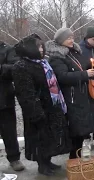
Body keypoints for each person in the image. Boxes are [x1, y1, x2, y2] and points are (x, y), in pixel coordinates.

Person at [12, 34, 71, 176]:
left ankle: (48, 161)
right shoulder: (21, 66)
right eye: (38, 47)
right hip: (37, 109)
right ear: (30, 49)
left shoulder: (43, 62)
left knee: (51, 137)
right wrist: (36, 112)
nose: (41, 49)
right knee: (40, 138)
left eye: (42, 46)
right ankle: (42, 165)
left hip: (51, 106)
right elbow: (25, 93)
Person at [46, 28, 94, 159]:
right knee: (76, 130)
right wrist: (84, 74)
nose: (71, 40)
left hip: (83, 96)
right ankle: (74, 158)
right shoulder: (56, 57)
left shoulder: (74, 52)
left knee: (83, 129)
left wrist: (93, 64)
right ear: (60, 40)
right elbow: (62, 76)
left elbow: (83, 65)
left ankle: (78, 156)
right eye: (68, 38)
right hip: (72, 98)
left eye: (72, 37)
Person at [0, 41, 25, 171]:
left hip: (4, 98)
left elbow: (15, 67)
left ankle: (14, 158)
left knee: (9, 131)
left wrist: (1, 68)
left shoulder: (8, 49)